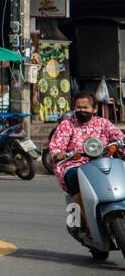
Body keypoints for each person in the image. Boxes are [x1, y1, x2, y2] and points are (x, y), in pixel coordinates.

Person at [48, 91, 124, 236]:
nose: (82, 111)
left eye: (86, 107)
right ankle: (87, 225)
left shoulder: (103, 123)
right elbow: (56, 145)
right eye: (78, 107)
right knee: (73, 176)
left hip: (103, 162)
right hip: (75, 164)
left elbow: (119, 137)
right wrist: (58, 153)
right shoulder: (67, 124)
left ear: (94, 109)